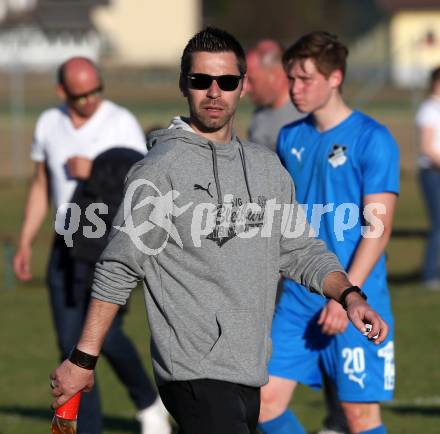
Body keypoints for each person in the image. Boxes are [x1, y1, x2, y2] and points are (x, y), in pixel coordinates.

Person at [49, 28, 389, 434]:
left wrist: (350, 296)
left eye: (226, 81)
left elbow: (301, 249)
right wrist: (82, 360)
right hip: (192, 371)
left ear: (242, 87)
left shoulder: (266, 168)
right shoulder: (161, 170)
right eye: (201, 81)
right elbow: (119, 267)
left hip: (249, 369)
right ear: (184, 85)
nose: (214, 92)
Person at [13, 57, 171, 434]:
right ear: (61, 91)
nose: (90, 100)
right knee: (70, 345)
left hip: (108, 242)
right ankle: (88, 427)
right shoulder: (49, 123)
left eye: (96, 91)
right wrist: (24, 241)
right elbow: (40, 184)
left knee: (107, 335)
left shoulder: (120, 123)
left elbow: (143, 182)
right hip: (65, 243)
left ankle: (148, 401)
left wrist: (96, 169)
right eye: (81, 94)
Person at [258, 32, 399, 434]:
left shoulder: (374, 139)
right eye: (291, 79)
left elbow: (380, 229)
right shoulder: (290, 137)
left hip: (358, 295)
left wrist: (347, 296)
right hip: (301, 295)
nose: (295, 89)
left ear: (335, 78)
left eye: (305, 79)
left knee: (358, 417)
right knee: (263, 403)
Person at [247, 38, 346, 434]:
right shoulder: (269, 122)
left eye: (253, 79)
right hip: (280, 255)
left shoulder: (307, 120)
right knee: (270, 384)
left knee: (332, 349)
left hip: (315, 262)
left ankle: (339, 420)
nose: (248, 87)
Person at [246, 39, 303, 151]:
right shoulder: (261, 113)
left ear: (276, 76)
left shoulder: (302, 123)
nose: (246, 88)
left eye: (251, 80)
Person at [415, 66, 440, 289]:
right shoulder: (429, 109)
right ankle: (430, 275)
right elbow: (427, 148)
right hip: (433, 174)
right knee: (438, 224)